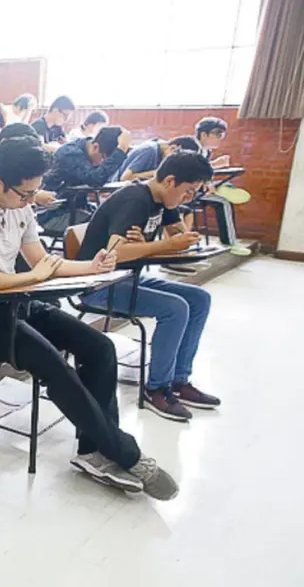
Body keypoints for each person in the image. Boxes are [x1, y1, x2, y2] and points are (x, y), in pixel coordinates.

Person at [0, 136, 178, 501]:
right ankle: (125, 453)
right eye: (25, 194)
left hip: (18, 299)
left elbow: (40, 262)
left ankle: (92, 451)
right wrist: (33, 279)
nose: (30, 201)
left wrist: (91, 265)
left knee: (98, 346)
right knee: (54, 365)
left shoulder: (19, 205)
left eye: (35, 193)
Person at [79, 151, 220, 421]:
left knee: (199, 298)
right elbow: (115, 254)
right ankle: (156, 388)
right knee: (175, 308)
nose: (188, 199)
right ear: (170, 181)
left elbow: (179, 236)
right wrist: (158, 246)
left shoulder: (163, 201)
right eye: (188, 192)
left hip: (126, 278)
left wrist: (153, 244)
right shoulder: (135, 199)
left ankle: (179, 380)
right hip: (97, 283)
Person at [38, 126, 130, 231]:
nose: (102, 165)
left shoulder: (88, 149)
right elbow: (96, 179)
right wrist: (121, 149)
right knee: (106, 224)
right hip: (55, 214)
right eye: (104, 160)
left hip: (79, 209)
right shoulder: (70, 153)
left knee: (119, 217)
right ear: (95, 147)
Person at [193, 116, 248, 254]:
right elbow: (190, 170)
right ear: (203, 134)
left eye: (221, 135)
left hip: (199, 187)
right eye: (217, 134)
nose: (220, 138)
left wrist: (211, 171)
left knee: (225, 185)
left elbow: (203, 170)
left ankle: (222, 188)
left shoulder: (207, 151)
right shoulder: (192, 146)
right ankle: (229, 242)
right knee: (223, 203)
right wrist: (211, 173)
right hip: (189, 192)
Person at [118, 135, 201, 182]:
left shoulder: (161, 151)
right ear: (173, 148)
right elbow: (125, 178)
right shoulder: (149, 150)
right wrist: (158, 172)